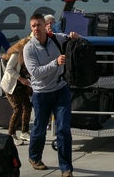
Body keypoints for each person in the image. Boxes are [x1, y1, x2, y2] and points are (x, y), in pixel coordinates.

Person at [23, 13, 80, 177]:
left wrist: (75, 37)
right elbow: (35, 73)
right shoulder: (29, 49)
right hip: (41, 94)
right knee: (39, 129)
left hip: (60, 89)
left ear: (45, 25)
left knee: (63, 129)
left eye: (38, 25)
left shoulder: (56, 38)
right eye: (33, 26)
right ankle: (34, 157)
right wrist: (55, 63)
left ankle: (66, 168)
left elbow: (75, 40)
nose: (36, 29)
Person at [0, 34, 33, 145]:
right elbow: (8, 69)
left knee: (27, 107)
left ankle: (24, 132)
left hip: (22, 84)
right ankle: (11, 134)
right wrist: (21, 79)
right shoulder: (17, 53)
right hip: (11, 84)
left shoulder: (32, 53)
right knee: (17, 109)